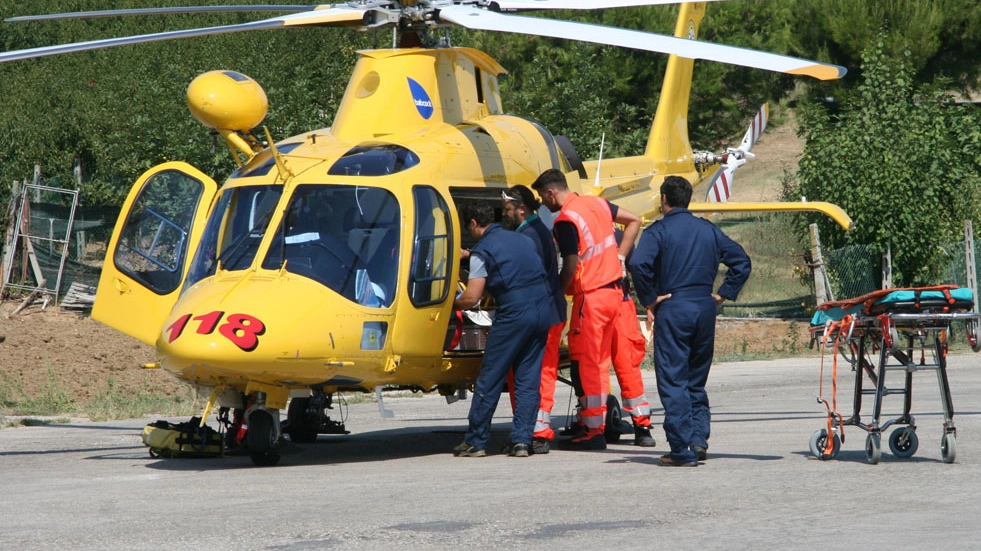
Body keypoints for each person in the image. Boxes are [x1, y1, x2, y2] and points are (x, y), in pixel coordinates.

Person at [628, 176, 751, 467]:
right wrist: (722, 295)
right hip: (704, 308)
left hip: (673, 307)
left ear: (663, 200)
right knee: (696, 380)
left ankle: (681, 449)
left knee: (674, 380)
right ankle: (698, 441)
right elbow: (741, 262)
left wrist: (650, 299)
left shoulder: (657, 231)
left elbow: (637, 263)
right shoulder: (707, 229)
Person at [531, 168, 640, 451]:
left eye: (543, 197)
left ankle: (593, 431)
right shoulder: (597, 202)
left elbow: (569, 264)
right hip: (616, 295)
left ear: (551, 192)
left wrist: (556, 290)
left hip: (590, 298)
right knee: (609, 360)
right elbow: (634, 220)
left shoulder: (566, 220)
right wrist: (620, 257)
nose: (543, 204)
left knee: (587, 362)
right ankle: (625, 424)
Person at [452, 200, 553, 458]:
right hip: (543, 309)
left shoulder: (482, 251)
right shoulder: (522, 239)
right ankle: (521, 441)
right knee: (528, 379)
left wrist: (450, 304)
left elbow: (472, 297)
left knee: (491, 376)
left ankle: (475, 441)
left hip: (515, 313)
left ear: (473, 224)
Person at [501, 185, 567, 454]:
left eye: (506, 209)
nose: (503, 214)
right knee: (538, 371)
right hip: (549, 310)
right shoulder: (536, 230)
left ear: (521, 209)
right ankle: (532, 428)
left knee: (536, 372)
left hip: (541, 313)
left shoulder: (528, 235)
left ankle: (537, 430)